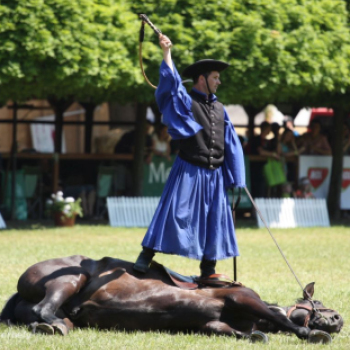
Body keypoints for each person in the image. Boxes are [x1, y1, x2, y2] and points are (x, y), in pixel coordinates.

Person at [133, 34, 246, 277]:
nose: (219, 82)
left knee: (214, 219)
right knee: (172, 212)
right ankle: (146, 255)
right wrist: (166, 53)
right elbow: (171, 84)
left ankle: (208, 268)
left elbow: (230, 143)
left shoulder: (219, 108)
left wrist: (236, 176)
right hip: (189, 171)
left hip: (214, 176)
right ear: (201, 79)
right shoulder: (186, 101)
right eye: (215, 77)